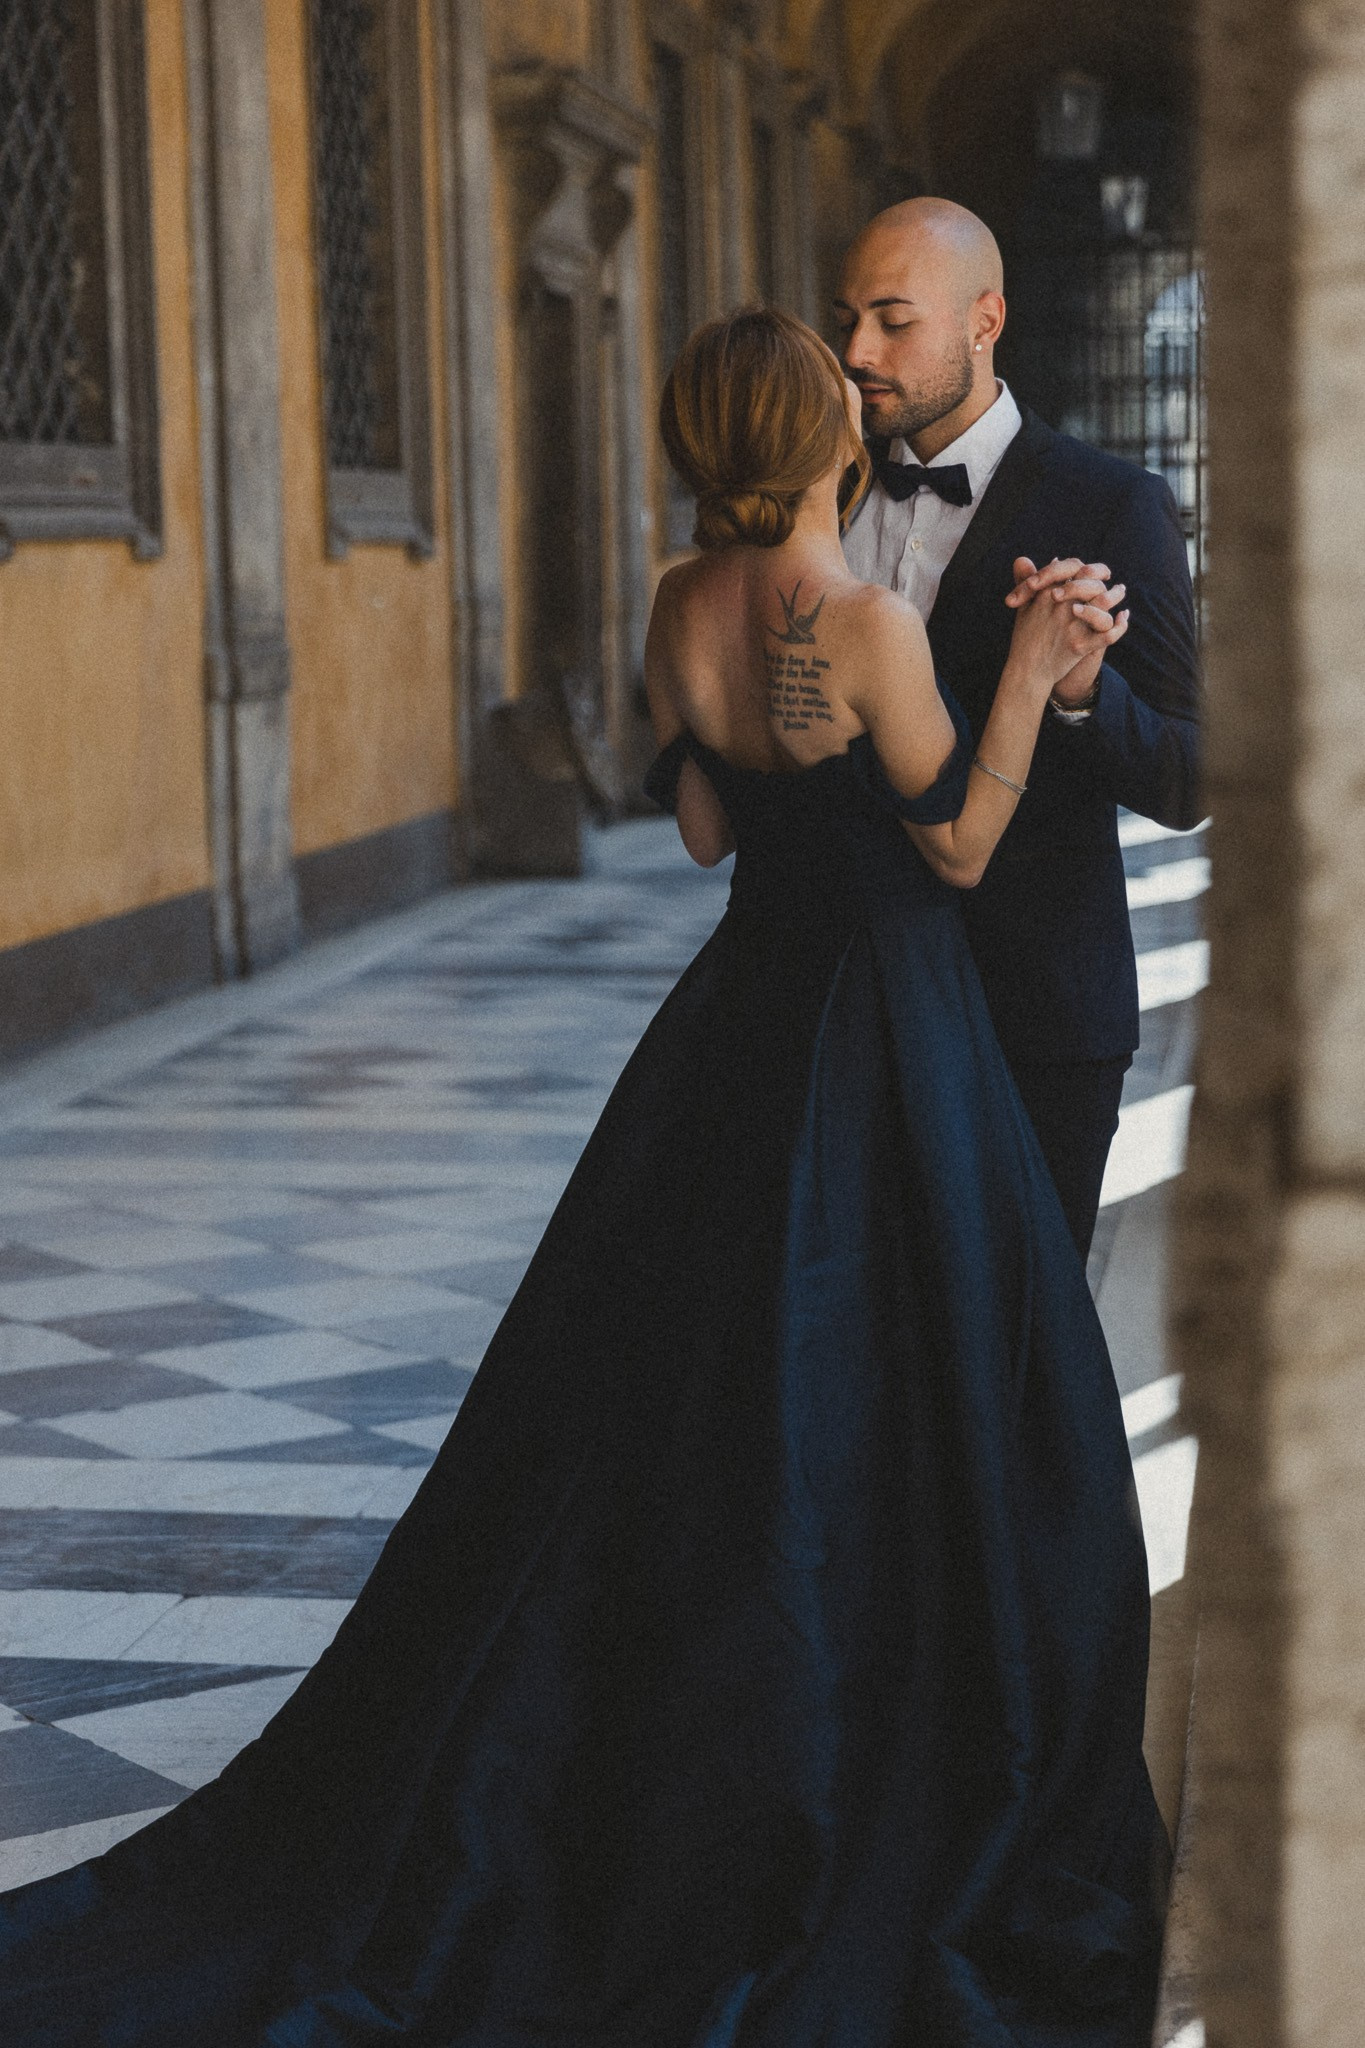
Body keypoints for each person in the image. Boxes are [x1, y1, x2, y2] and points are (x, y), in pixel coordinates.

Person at [0, 310, 1164, 2047]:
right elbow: (964, 847)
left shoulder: (680, 606)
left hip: (737, 1031)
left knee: (683, 1389)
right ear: (823, 442)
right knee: (903, 1396)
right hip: (890, 1041)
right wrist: (1017, 672)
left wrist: (771, 748)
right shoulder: (854, 620)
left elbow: (702, 829)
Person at [839, 198, 1202, 1258]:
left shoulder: (1110, 503)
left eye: (893, 320)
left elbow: (1188, 777)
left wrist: (1085, 692)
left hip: (1034, 1016)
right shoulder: (825, 489)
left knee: (1025, 1362)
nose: (858, 351)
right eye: (849, 317)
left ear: (983, 319)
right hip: (853, 1014)